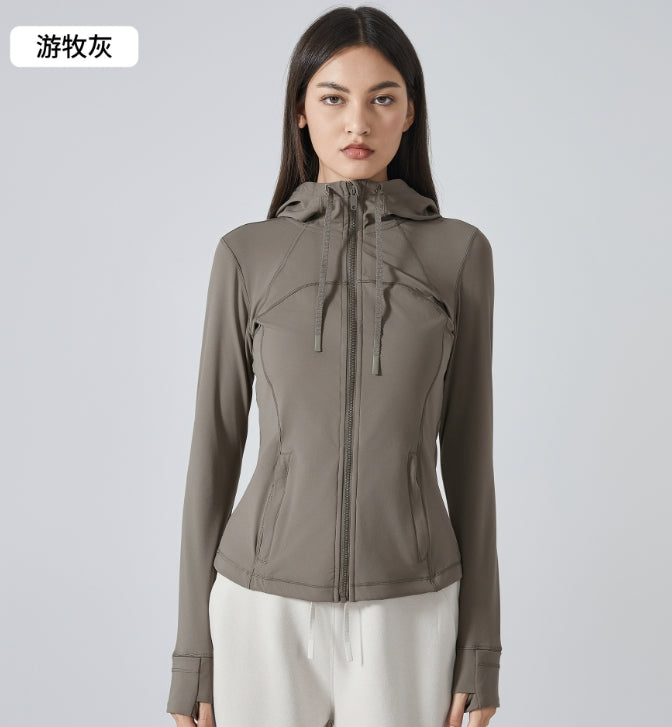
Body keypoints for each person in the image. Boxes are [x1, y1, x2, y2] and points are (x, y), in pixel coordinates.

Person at [167, 6, 501, 727]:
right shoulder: (247, 254)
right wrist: (193, 651)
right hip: (259, 608)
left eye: (382, 97)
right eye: (333, 97)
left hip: (410, 608)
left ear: (410, 111)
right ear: (300, 111)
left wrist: (481, 646)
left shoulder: (459, 254)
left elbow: (470, 458)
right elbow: (213, 453)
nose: (358, 122)